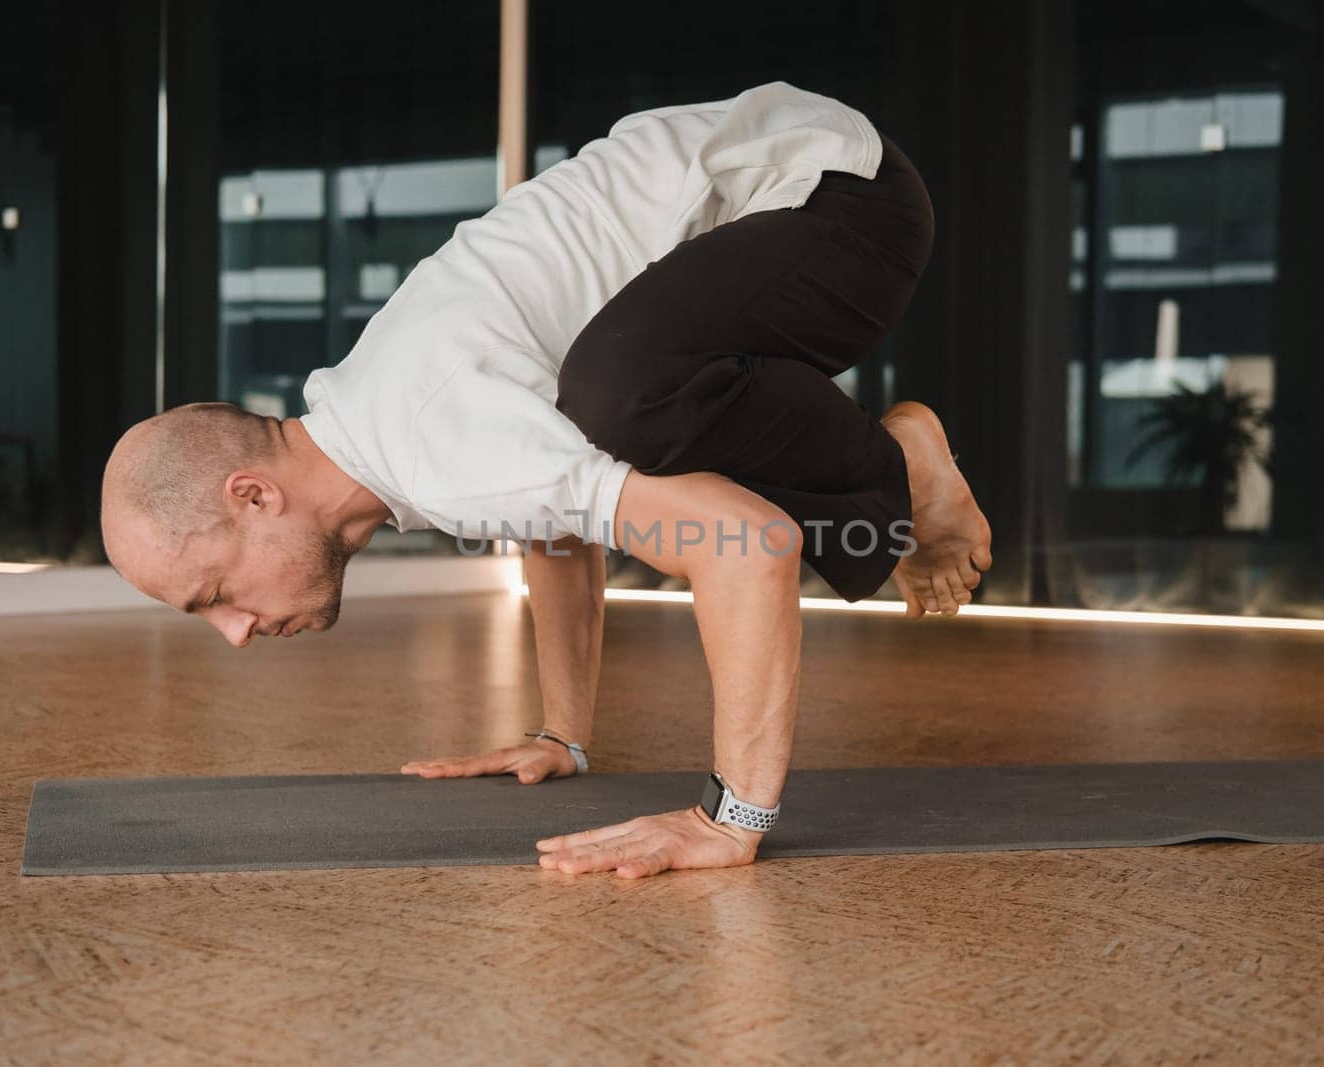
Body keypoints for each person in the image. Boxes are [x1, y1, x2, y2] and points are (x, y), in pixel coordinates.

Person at [100, 80, 992, 880]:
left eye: (215, 592)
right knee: (605, 406)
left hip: (840, 203)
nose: (236, 633)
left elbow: (751, 546)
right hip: (806, 190)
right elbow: (550, 516)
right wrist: (562, 733)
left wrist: (730, 821)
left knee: (621, 403)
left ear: (252, 495)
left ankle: (901, 472)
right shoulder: (381, 407)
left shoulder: (427, 444)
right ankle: (895, 473)